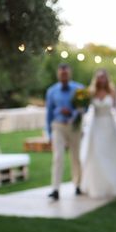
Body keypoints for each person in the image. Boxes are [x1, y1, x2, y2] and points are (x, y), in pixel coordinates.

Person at [80, 69, 116, 198]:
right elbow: (85, 109)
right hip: (96, 125)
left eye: (103, 77)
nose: (101, 79)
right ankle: (97, 185)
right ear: (96, 79)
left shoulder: (112, 92)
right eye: (99, 77)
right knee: (97, 153)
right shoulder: (91, 93)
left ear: (107, 78)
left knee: (112, 153)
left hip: (110, 125)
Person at [45, 64, 85, 201]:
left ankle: (78, 185)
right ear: (58, 74)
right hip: (58, 126)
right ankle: (55, 189)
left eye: (66, 74)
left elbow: (83, 109)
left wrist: (72, 112)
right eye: (61, 74)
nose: (64, 76)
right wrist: (49, 133)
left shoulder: (79, 89)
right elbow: (49, 113)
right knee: (58, 157)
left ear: (70, 74)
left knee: (76, 156)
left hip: (74, 126)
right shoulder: (52, 91)